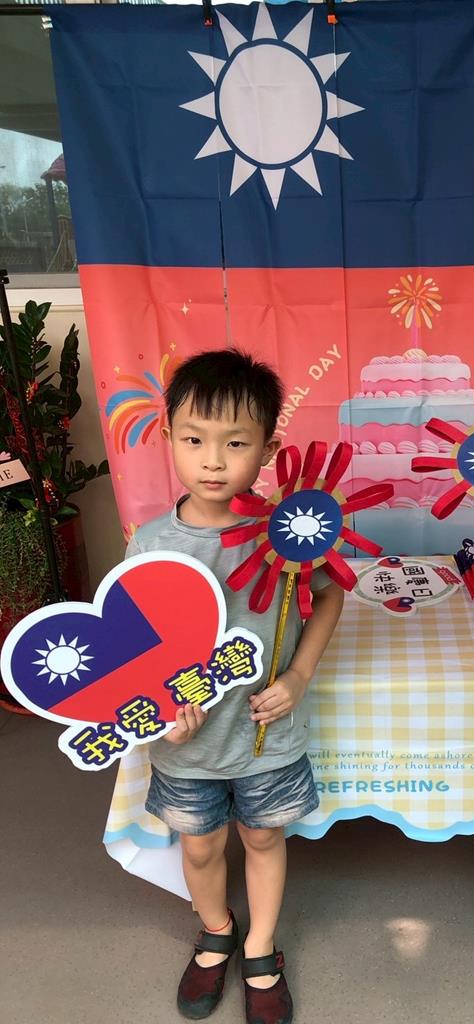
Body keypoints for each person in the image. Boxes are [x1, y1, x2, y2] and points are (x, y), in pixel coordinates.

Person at [126, 349, 344, 1024]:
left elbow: (331, 593)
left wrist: (298, 675)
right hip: (186, 743)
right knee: (198, 844)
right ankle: (216, 930)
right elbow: (132, 645)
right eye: (194, 440)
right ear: (168, 437)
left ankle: (260, 946)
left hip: (264, 731)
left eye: (236, 443)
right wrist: (162, 709)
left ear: (268, 450)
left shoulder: (285, 532)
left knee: (263, 838)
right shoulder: (150, 544)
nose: (213, 461)